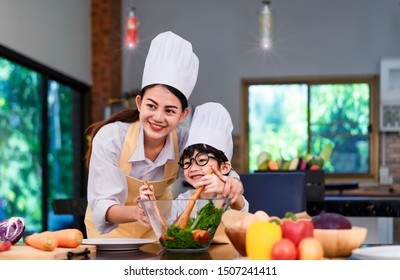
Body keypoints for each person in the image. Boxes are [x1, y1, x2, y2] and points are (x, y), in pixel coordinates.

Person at [84, 31, 244, 239]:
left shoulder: (185, 142)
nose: (158, 117)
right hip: (110, 236)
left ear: (182, 115)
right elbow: (102, 203)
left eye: (169, 110)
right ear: (140, 103)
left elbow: (217, 169)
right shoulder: (111, 138)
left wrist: (233, 184)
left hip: (159, 231)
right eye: (151, 106)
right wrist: (138, 212)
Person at [138, 102, 249, 242]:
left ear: (225, 168)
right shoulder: (182, 200)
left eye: (202, 160)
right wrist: (150, 206)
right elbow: (171, 234)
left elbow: (241, 210)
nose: (193, 168)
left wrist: (227, 191)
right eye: (187, 163)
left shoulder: (230, 198)